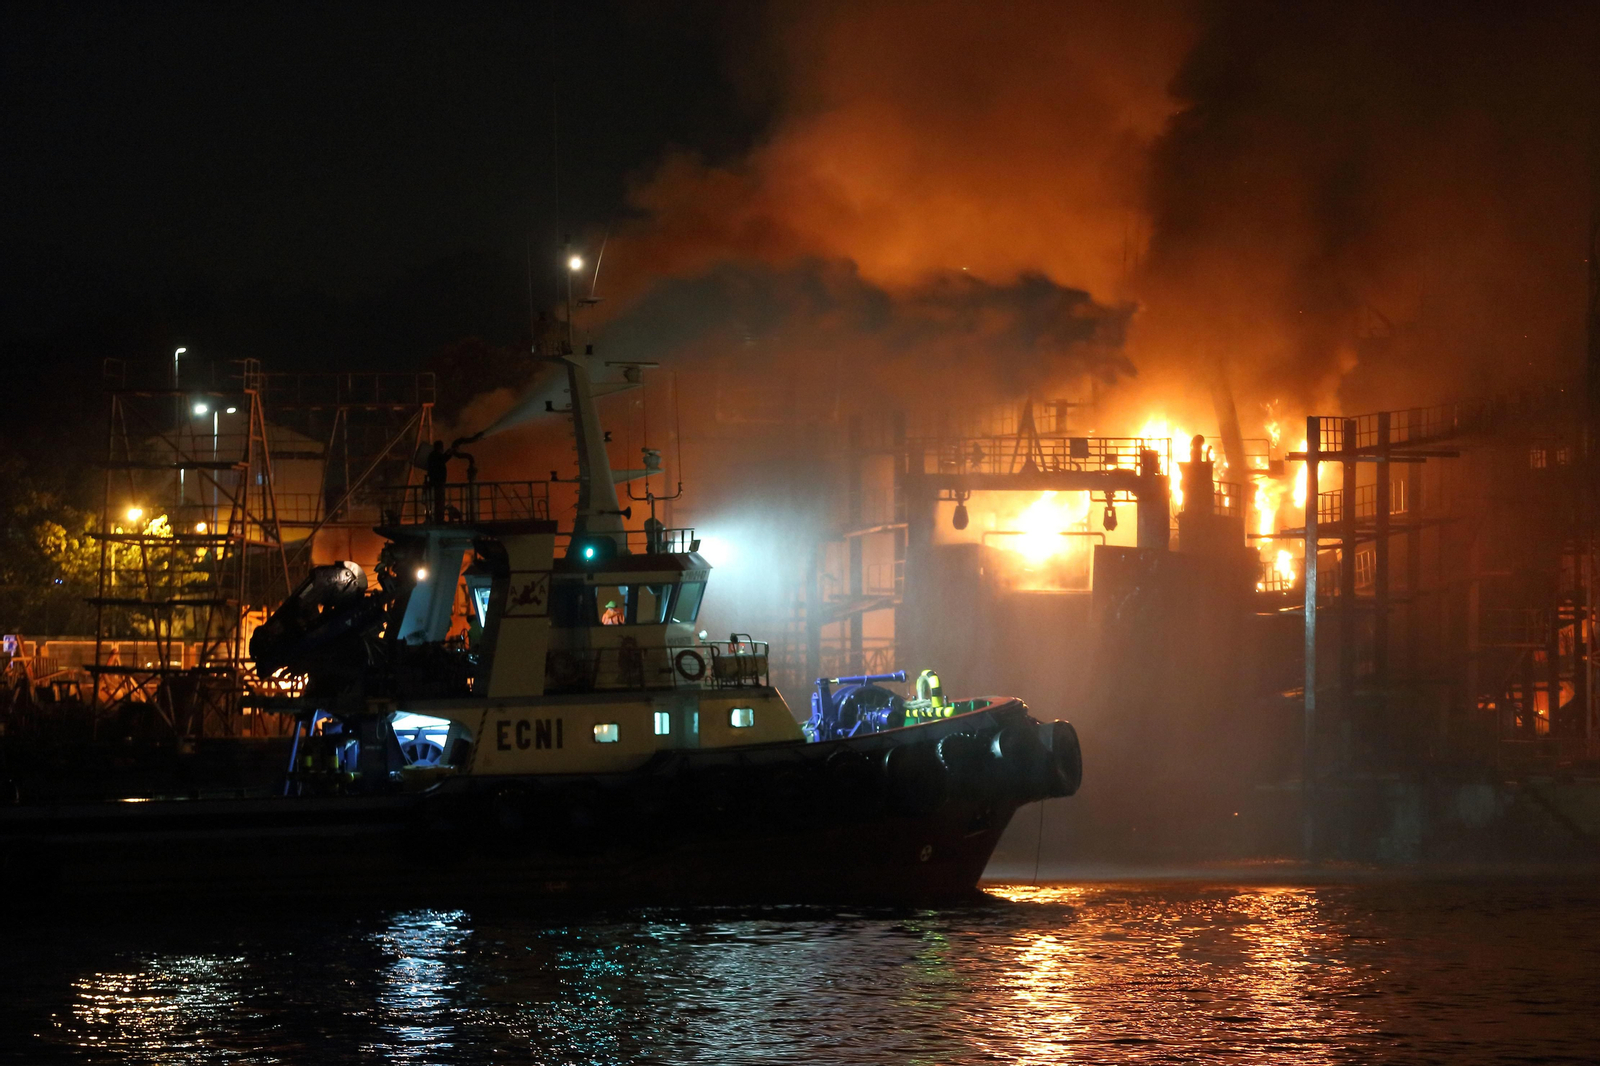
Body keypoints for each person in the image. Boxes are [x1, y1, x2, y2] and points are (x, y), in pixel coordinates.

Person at [424, 440, 448, 522]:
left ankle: (437, 517)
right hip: (438, 482)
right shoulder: (436, 456)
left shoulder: (433, 455)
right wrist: (450, 453)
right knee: (439, 501)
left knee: (437, 501)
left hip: (435, 482)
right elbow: (443, 459)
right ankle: (439, 519)